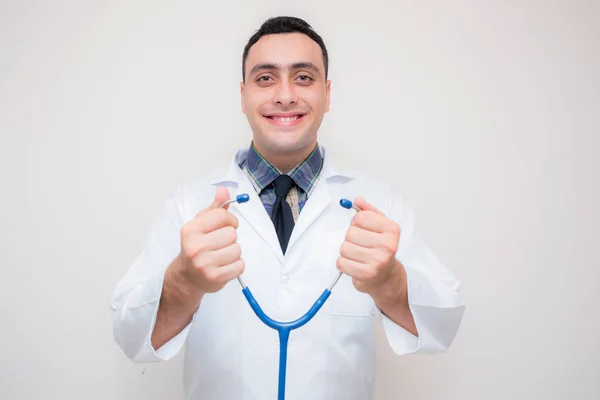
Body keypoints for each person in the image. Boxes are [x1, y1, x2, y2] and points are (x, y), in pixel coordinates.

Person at [111, 16, 465, 400]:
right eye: (266, 78)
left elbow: (442, 324)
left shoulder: (379, 203)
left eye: (303, 78)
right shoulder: (188, 202)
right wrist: (183, 281)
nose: (284, 95)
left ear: (327, 95)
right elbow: (132, 338)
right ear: (243, 95)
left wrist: (391, 283)